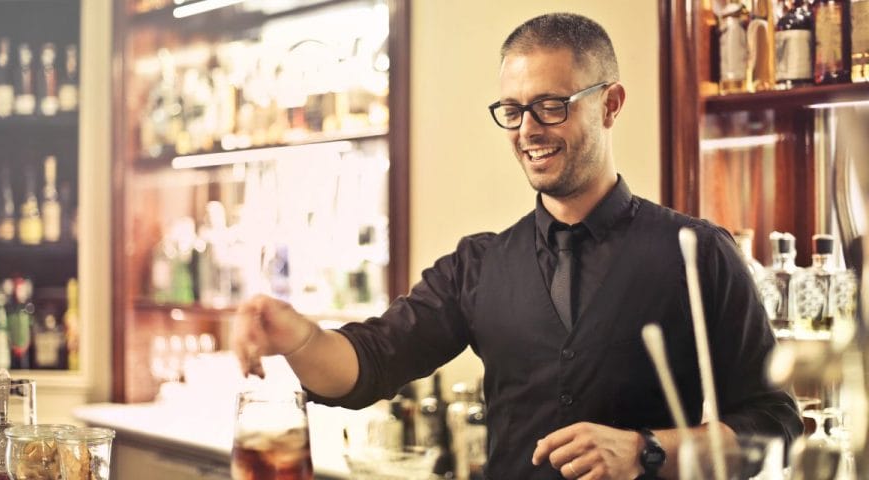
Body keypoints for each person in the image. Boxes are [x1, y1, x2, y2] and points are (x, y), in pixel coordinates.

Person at [231, 12, 803, 479]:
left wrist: (646, 450)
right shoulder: (478, 266)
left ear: (610, 104)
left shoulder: (696, 252)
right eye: (512, 110)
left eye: (551, 106)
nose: (528, 129)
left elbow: (773, 425)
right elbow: (369, 363)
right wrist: (298, 336)